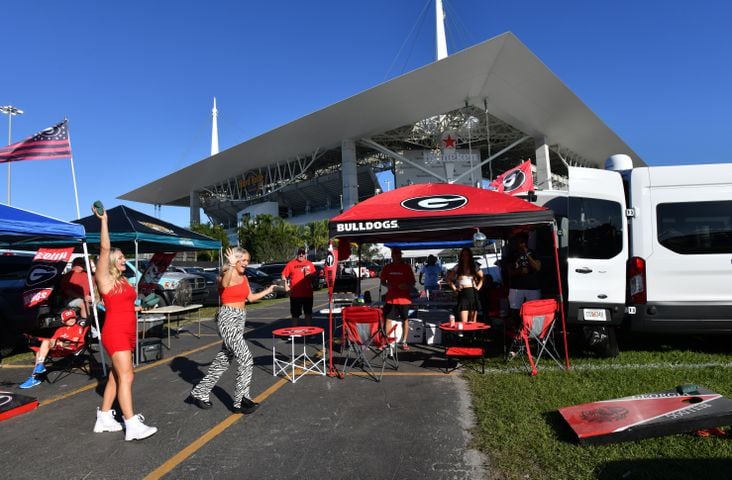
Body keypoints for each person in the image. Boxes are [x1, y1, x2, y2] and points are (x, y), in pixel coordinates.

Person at [92, 204, 157, 441]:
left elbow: (125, 304)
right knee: (127, 376)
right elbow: (105, 246)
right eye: (120, 258)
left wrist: (136, 307)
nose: (124, 260)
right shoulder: (104, 277)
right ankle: (131, 425)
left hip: (128, 330)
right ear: (109, 261)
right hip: (116, 332)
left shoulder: (122, 281)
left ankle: (104, 417)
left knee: (116, 376)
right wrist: (104, 221)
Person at [188, 247, 274, 414]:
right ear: (235, 259)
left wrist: (269, 290)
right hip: (227, 318)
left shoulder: (244, 277)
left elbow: (251, 298)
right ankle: (240, 399)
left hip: (240, 318)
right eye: (243, 260)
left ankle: (200, 392)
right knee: (246, 358)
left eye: (248, 261)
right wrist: (232, 265)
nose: (246, 264)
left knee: (224, 360)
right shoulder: (226, 273)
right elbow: (224, 284)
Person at [18, 309, 86, 389]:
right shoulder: (60, 330)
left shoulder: (77, 328)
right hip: (58, 349)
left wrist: (61, 343)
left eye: (72, 318)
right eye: (68, 319)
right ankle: (35, 375)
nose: (71, 320)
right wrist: (56, 343)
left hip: (69, 349)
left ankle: (36, 375)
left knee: (43, 345)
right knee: (41, 348)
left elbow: (74, 342)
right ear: (63, 321)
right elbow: (53, 340)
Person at [380, 248, 416, 350]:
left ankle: (404, 342)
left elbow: (413, 283)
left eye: (399, 255)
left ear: (401, 255)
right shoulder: (387, 267)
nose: (397, 256)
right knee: (388, 320)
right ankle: (387, 341)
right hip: (391, 298)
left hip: (404, 299)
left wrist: (406, 286)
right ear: (392, 256)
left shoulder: (406, 267)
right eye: (395, 255)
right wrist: (387, 286)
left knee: (405, 319)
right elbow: (382, 281)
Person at [507, 233, 542, 323]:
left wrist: (527, 254)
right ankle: (517, 331)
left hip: (532, 287)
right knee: (515, 311)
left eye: (522, 242)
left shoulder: (533, 253)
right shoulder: (513, 255)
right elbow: (509, 272)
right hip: (516, 287)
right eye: (518, 242)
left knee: (533, 312)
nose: (520, 244)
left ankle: (531, 331)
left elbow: (537, 267)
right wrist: (519, 272)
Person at [446, 248, 484, 323]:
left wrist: (478, 287)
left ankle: (473, 335)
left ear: (470, 256)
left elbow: (482, 277)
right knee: (464, 322)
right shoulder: (458, 267)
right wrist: (455, 288)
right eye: (463, 255)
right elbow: (448, 279)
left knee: (472, 322)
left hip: (472, 293)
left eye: (467, 255)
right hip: (462, 294)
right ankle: (465, 334)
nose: (465, 257)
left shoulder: (474, 266)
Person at [281, 247, 316, 325]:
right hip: (295, 295)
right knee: (295, 315)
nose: (301, 255)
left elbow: (315, 277)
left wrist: (310, 275)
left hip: (308, 294)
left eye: (303, 253)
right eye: (299, 253)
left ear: (305, 254)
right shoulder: (291, 264)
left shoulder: (309, 264)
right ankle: (294, 333)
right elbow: (283, 275)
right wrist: (286, 286)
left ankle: (309, 333)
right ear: (297, 254)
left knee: (308, 314)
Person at [60, 257, 92, 324]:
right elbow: (68, 291)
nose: (83, 264)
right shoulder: (68, 276)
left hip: (87, 297)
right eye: (81, 263)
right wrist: (83, 297)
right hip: (71, 299)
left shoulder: (86, 274)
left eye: (84, 263)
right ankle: (86, 324)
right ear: (75, 264)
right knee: (84, 304)